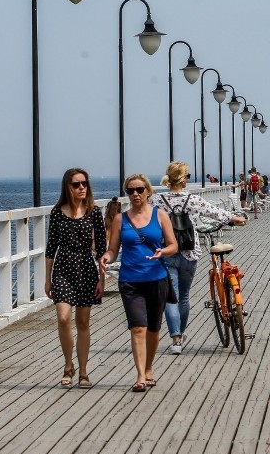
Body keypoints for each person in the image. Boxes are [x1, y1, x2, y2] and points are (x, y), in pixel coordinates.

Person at [150, 162, 247, 354]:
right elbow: (216, 213)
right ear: (183, 179)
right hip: (189, 252)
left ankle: (176, 339)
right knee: (184, 296)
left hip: (166, 251)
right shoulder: (192, 200)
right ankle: (182, 332)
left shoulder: (157, 200)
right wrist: (236, 219)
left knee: (171, 298)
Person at [99, 174, 178, 392]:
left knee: (153, 328)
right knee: (138, 328)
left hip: (157, 278)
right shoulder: (119, 219)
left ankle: (149, 367)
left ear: (148, 191)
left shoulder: (160, 215)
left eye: (139, 190)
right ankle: (141, 375)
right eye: (130, 190)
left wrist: (164, 251)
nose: (135, 194)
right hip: (130, 280)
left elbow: (174, 245)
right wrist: (107, 257)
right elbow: (114, 250)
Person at [45, 168, 107, 389]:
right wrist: (48, 279)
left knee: (82, 322)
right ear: (67, 187)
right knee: (63, 318)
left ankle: (83, 371)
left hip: (86, 269)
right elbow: (51, 247)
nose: (82, 187)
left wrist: (102, 278)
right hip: (62, 268)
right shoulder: (57, 212)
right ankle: (67, 365)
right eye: (76, 184)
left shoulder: (94, 212)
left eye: (84, 183)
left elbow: (101, 248)